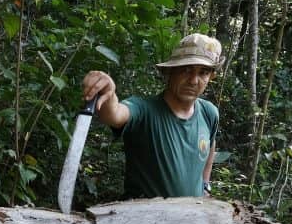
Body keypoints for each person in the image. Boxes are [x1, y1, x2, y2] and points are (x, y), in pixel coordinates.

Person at [82, 33, 222, 199]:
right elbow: (114, 114)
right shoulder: (145, 110)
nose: (193, 80)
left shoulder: (209, 113)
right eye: (186, 70)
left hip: (192, 219)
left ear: (211, 76)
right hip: (144, 221)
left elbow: (210, 144)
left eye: (203, 72)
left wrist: (205, 184)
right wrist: (108, 93)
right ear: (171, 71)